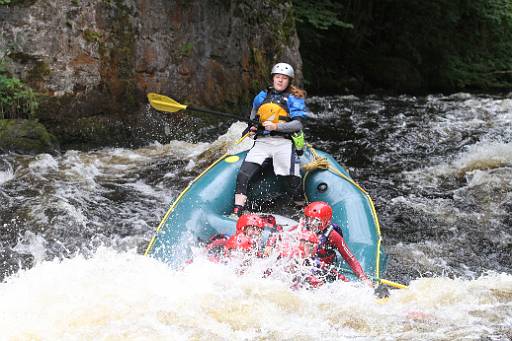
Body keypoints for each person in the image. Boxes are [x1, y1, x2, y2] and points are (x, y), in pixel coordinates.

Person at [232, 62, 307, 216]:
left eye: (284, 78)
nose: (280, 80)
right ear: (273, 79)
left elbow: (298, 124)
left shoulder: (294, 98)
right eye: (277, 77)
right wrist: (252, 127)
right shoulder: (261, 96)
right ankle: (237, 211)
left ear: (289, 81)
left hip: (283, 142)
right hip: (262, 142)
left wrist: (276, 127)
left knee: (293, 178)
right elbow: (253, 118)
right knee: (243, 175)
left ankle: (301, 209)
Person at [302, 201, 374, 287]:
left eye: (315, 221)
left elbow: (349, 257)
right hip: (306, 264)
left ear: (325, 222)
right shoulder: (301, 229)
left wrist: (363, 278)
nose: (310, 224)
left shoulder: (332, 235)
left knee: (344, 282)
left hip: (324, 266)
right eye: (308, 219)